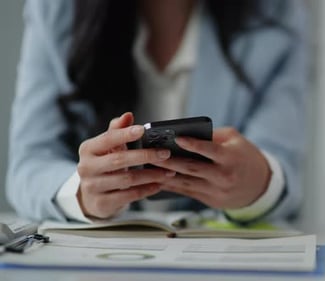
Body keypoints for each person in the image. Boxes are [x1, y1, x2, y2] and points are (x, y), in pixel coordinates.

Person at [6, 0, 308, 225]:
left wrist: (260, 182)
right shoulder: (56, 10)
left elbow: (284, 165)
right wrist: (82, 193)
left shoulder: (278, 13)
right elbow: (27, 165)